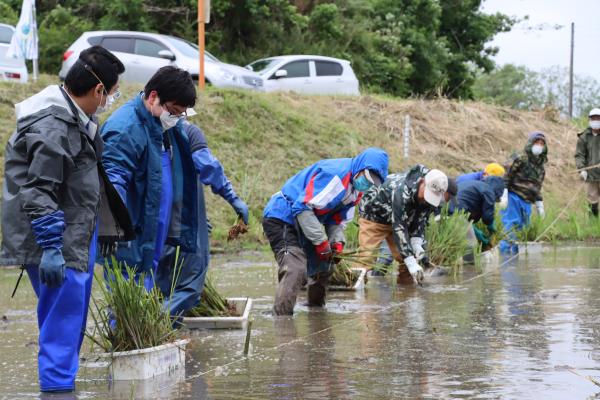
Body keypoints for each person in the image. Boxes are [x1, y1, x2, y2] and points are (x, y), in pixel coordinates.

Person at [0, 46, 126, 393]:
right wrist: (51, 246)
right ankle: (57, 390)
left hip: (74, 234)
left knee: (68, 323)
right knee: (61, 325)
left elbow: (83, 183)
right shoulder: (53, 126)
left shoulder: (74, 118)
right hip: (56, 240)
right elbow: (39, 190)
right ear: (99, 90)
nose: (111, 100)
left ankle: (61, 384)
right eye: (112, 93)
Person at [100, 66, 199, 292]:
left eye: (180, 114)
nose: (175, 118)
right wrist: (113, 227)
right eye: (173, 111)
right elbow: (112, 181)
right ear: (153, 96)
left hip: (152, 235)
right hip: (130, 236)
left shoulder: (161, 125)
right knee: (127, 295)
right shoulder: (125, 129)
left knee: (145, 293)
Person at [263, 148, 389, 315]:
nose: (367, 184)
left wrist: (336, 242)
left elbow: (336, 219)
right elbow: (301, 206)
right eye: (366, 178)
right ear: (360, 167)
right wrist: (321, 241)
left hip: (307, 222)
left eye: (372, 182)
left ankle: (316, 311)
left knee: (324, 265)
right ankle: (281, 319)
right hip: (282, 217)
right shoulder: (335, 175)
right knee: (295, 267)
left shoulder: (355, 191)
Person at [156, 122, 249, 317]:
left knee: (160, 285)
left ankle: (166, 332)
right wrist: (234, 198)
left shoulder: (146, 128)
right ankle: (154, 326)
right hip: (181, 224)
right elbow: (209, 167)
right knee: (189, 286)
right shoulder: (189, 131)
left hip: (154, 224)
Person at [357, 164, 449, 285]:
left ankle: (407, 295)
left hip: (401, 219)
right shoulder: (401, 189)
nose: (427, 199)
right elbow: (399, 228)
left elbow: (420, 220)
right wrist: (410, 260)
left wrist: (417, 242)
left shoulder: (428, 198)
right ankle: (356, 295)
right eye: (427, 194)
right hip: (374, 216)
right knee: (366, 258)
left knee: (407, 262)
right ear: (422, 182)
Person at [499, 132, 548, 253]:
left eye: (542, 144)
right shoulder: (520, 158)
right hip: (513, 196)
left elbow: (537, 187)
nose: (539, 146)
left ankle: (516, 257)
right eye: (537, 142)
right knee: (510, 226)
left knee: (523, 229)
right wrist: (504, 193)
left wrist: (540, 205)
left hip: (527, 202)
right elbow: (507, 175)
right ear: (531, 143)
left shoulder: (540, 167)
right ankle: (505, 254)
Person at [450, 176, 505, 253]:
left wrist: (475, 231)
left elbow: (465, 213)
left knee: (456, 242)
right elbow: (487, 216)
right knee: (471, 244)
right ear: (497, 191)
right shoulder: (488, 190)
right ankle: (469, 264)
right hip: (455, 213)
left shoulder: (477, 186)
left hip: (448, 211)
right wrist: (490, 224)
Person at [575, 108, 600, 217]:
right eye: (593, 118)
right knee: (592, 199)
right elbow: (580, 155)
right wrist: (582, 169)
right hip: (591, 175)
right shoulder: (584, 137)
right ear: (590, 120)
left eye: (598, 118)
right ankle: (593, 225)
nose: (596, 120)